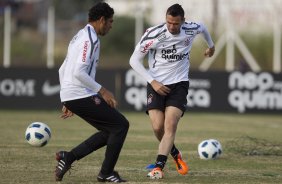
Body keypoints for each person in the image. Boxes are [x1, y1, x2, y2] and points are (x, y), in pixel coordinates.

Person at [129, 3, 215, 179]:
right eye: (169, 22)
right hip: (156, 84)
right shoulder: (153, 34)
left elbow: (204, 28)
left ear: (183, 21)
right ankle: (175, 153)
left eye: (175, 23)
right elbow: (134, 61)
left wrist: (211, 46)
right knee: (157, 127)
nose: (171, 26)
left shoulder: (191, 29)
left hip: (179, 84)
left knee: (170, 125)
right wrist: (152, 82)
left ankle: (158, 167)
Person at [55, 2, 129, 183]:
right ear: (102, 20)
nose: (111, 26)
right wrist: (103, 91)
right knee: (120, 126)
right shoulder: (90, 39)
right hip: (79, 93)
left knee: (110, 130)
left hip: (73, 94)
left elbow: (62, 70)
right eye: (110, 22)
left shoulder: (79, 35)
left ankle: (69, 157)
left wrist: (66, 98)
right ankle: (106, 173)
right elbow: (78, 72)